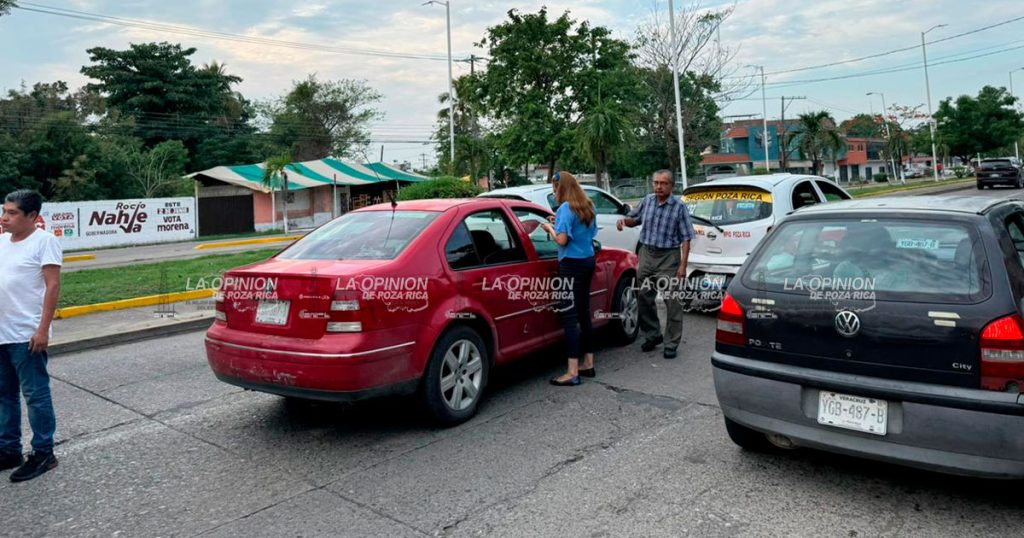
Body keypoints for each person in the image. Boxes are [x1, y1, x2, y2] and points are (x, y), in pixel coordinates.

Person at [0, 190, 62, 482]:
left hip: (26, 334)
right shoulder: (1, 242)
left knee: (35, 396)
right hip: (2, 332)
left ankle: (43, 453)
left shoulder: (45, 242)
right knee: (4, 395)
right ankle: (9, 449)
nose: (4, 217)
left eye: (12, 213)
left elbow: (52, 287)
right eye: (4, 211)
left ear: (33, 217)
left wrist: (42, 329)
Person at [616, 170, 695, 359]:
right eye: (656, 183)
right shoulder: (648, 200)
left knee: (672, 300)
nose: (659, 186)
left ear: (671, 186)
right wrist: (624, 222)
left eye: (663, 183)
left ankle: (671, 342)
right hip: (647, 253)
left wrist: (683, 266)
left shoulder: (678, 207)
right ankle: (653, 334)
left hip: (668, 257)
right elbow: (636, 219)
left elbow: (686, 238)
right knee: (643, 296)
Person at [540, 172, 598, 386]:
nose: (554, 193)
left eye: (555, 189)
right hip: (588, 260)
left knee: (569, 315)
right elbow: (590, 233)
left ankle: (572, 371)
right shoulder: (588, 206)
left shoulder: (565, 208)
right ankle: (588, 363)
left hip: (571, 264)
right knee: (584, 312)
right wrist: (560, 224)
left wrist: (550, 228)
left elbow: (562, 241)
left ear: (560, 188)